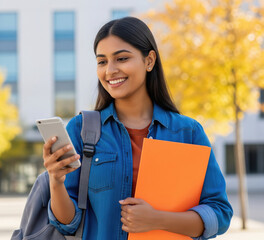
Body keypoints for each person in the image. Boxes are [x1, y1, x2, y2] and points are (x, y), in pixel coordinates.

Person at [42, 17, 233, 240]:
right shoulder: (82, 130)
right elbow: (67, 223)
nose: (110, 70)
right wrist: (55, 181)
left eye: (121, 58)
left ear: (149, 60)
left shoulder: (187, 132)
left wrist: (157, 219)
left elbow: (220, 215)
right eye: (102, 62)